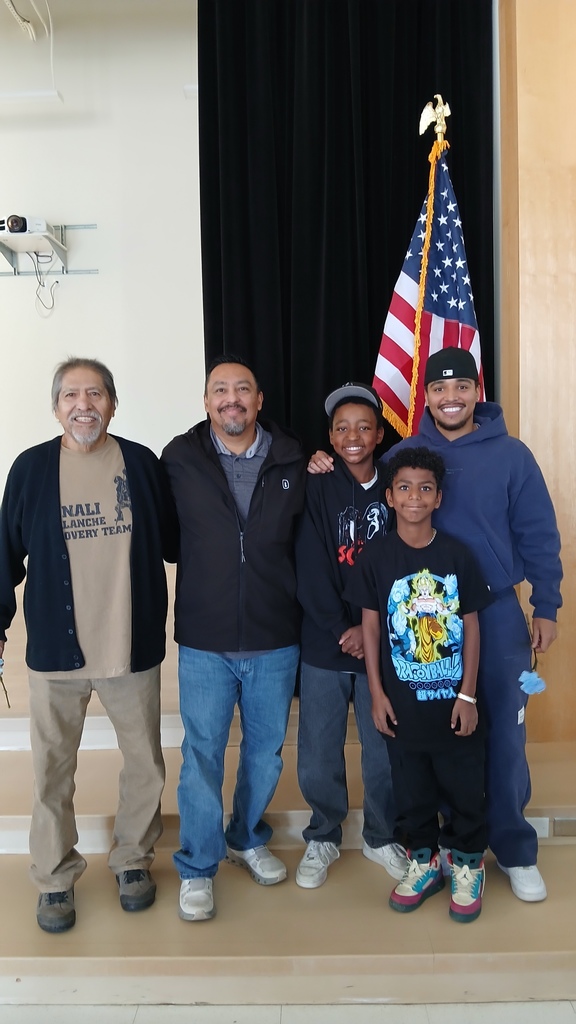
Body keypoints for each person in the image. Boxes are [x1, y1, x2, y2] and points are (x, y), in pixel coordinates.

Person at [309, 346, 563, 902]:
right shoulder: (405, 453)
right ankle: (452, 851)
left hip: (493, 614)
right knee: (436, 737)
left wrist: (546, 603)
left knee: (504, 739)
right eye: (440, 389)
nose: (452, 398)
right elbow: (355, 488)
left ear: (478, 392)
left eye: (462, 387)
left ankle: (515, 850)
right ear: (426, 397)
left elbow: (539, 531)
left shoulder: (512, 456)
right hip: (420, 618)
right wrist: (319, 461)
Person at [0, 358, 176, 933]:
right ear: (56, 406)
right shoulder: (29, 469)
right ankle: (54, 879)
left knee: (145, 764)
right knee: (52, 771)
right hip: (56, 652)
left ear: (113, 403)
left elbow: (176, 540)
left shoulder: (142, 465)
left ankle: (131, 860)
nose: (84, 405)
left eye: (95, 394)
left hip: (131, 648)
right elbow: (5, 555)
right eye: (72, 394)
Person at [161, 354, 306, 922]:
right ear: (205, 401)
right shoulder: (179, 458)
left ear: (259, 399)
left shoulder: (293, 456)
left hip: (275, 635)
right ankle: (198, 866)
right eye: (219, 390)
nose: (231, 399)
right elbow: (168, 537)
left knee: (265, 753)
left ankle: (246, 837)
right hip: (205, 637)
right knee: (201, 754)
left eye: (242, 389)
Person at [344, 446, 492, 923]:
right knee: (412, 793)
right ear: (389, 496)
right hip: (402, 706)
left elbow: (471, 625)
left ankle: (467, 863)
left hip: (454, 704)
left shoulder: (456, 555)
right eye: (404, 488)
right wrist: (377, 693)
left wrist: (467, 694)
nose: (414, 497)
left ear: (438, 498)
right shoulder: (377, 557)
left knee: (466, 789)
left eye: (424, 488)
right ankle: (424, 861)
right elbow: (369, 627)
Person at [294, 382, 407, 889]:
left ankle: (382, 836)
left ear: (381, 434)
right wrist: (343, 628)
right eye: (342, 428)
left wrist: (371, 631)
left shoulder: (399, 483)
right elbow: (309, 564)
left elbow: (408, 563)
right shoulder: (314, 483)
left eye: (364, 426)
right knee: (319, 747)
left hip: (383, 643)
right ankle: (323, 835)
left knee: (384, 746)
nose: (353, 436)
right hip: (327, 640)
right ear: (331, 438)